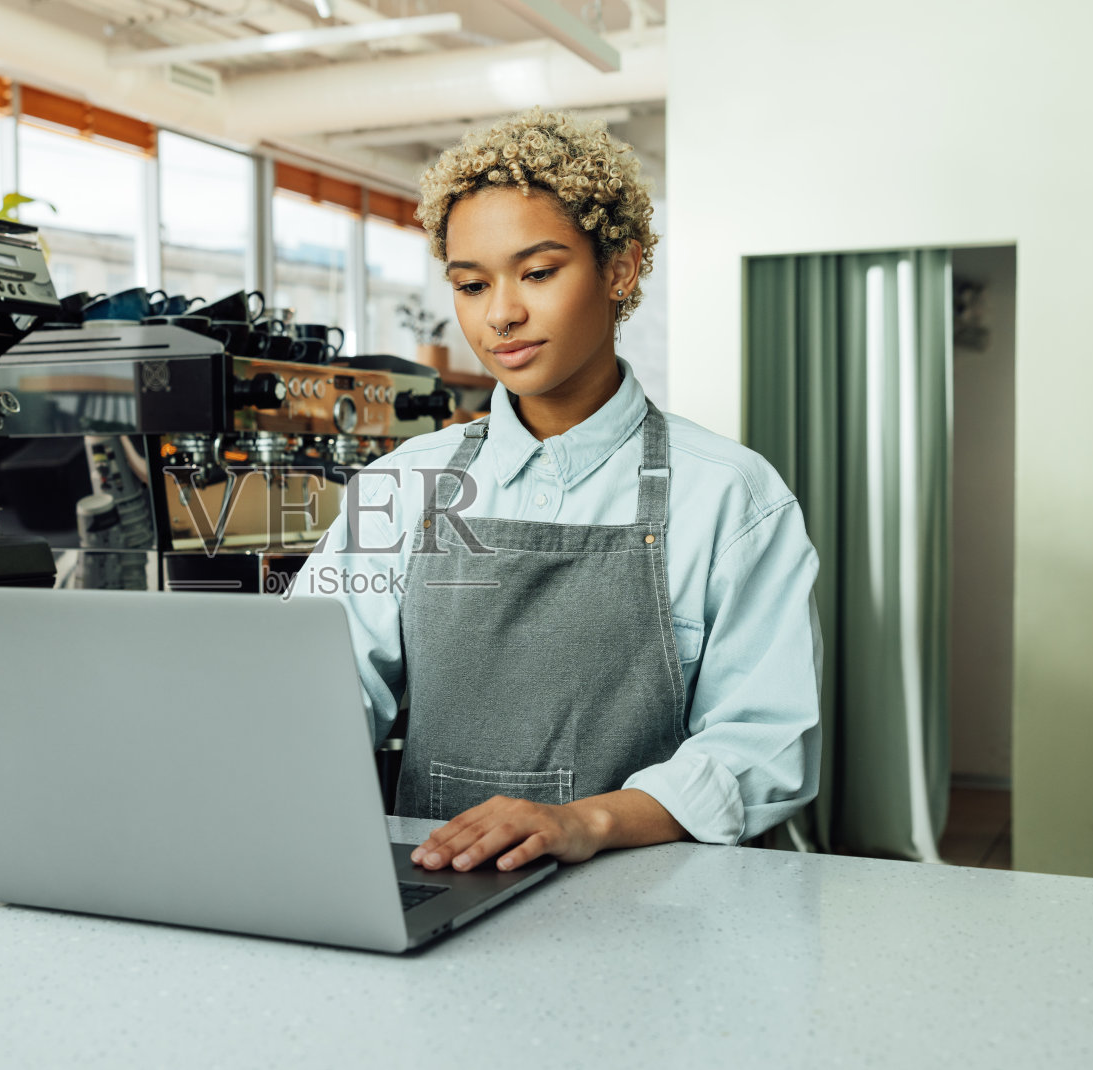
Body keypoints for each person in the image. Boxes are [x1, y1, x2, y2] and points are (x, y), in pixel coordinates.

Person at [290, 109, 822, 875]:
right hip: (442, 884)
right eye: (471, 285)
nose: (500, 313)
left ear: (620, 268)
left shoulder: (733, 498)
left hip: (659, 906)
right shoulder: (403, 486)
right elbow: (320, 685)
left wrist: (587, 821)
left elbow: (764, 742)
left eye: (537, 273)